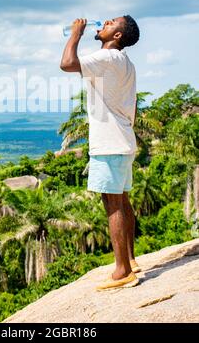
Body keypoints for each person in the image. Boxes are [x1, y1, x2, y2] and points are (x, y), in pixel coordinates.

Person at [60, 16, 141, 291]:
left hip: (110, 143)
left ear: (117, 36)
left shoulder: (107, 58)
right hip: (123, 139)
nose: (104, 22)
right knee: (122, 199)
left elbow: (67, 64)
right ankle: (130, 259)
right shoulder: (125, 62)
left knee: (113, 203)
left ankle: (122, 271)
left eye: (111, 22)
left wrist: (75, 34)